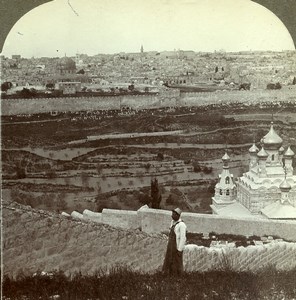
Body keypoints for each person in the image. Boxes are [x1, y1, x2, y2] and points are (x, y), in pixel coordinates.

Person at [162, 208, 187, 275]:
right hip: (170, 245)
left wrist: (179, 249)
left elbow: (183, 238)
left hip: (176, 245)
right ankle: (168, 274)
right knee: (169, 259)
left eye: (173, 214)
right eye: (172, 214)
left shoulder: (182, 225)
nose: (172, 216)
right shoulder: (172, 222)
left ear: (178, 215)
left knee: (177, 261)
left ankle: (177, 275)